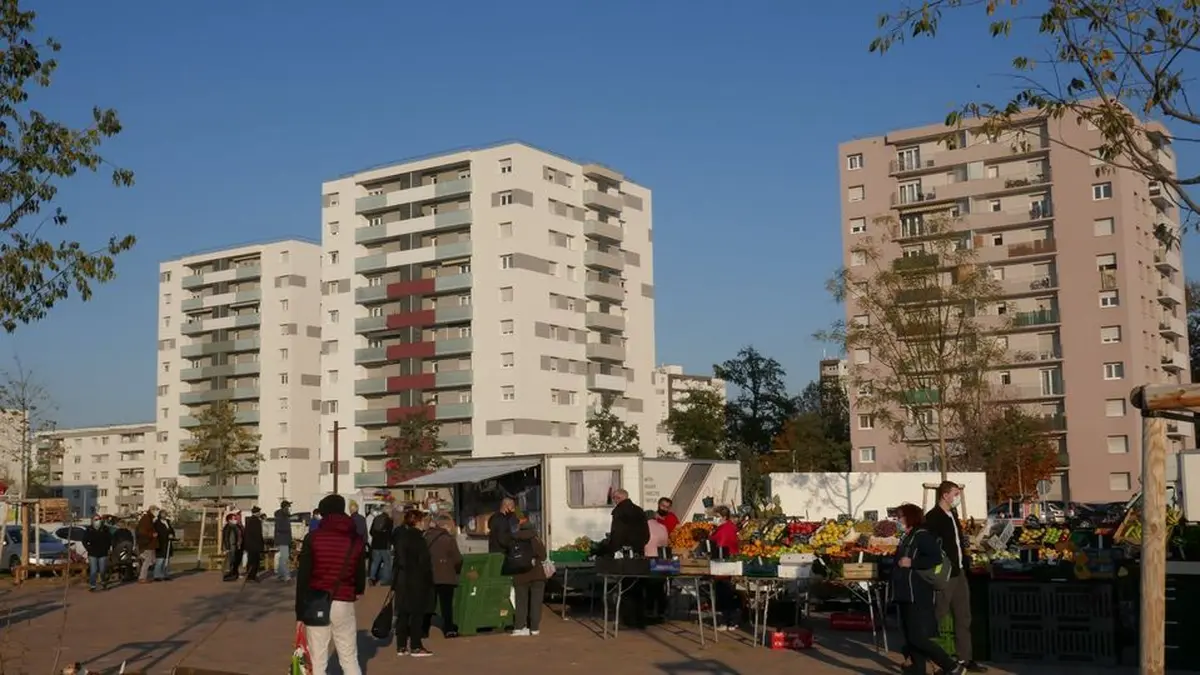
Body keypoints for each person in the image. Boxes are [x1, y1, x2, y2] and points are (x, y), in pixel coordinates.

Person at [296, 494, 366, 675]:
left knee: (318, 660)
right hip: (344, 600)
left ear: (324, 513)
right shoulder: (355, 539)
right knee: (349, 658)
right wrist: (357, 590)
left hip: (317, 600)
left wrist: (300, 612)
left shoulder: (313, 538)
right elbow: (360, 573)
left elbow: (303, 578)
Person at [894, 503, 965, 675]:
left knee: (917, 637)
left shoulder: (922, 536)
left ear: (910, 517)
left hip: (917, 592)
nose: (898, 520)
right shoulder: (907, 537)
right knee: (911, 636)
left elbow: (935, 558)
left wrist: (912, 563)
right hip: (905, 592)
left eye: (900, 516)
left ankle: (951, 666)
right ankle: (918, 669)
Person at [926, 481, 986, 673]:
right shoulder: (933, 517)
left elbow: (958, 542)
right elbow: (930, 545)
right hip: (945, 574)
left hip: (959, 571)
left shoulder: (953, 514)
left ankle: (965, 658)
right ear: (945, 495)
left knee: (963, 616)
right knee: (938, 614)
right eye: (955, 494)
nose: (957, 498)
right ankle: (931, 658)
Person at [391, 509, 435, 657]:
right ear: (417, 522)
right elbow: (424, 563)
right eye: (422, 520)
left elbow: (398, 560)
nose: (424, 523)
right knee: (417, 614)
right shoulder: (418, 539)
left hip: (402, 580)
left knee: (403, 613)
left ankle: (401, 646)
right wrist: (428, 580)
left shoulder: (401, 536)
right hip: (416, 580)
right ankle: (416, 646)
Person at [606, 489, 651, 628]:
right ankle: (640, 620)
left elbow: (617, 533)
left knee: (626, 587)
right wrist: (639, 546)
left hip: (625, 554)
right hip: (639, 553)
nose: (614, 501)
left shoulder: (619, 511)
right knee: (638, 586)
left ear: (618, 498)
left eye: (615, 498)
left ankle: (628, 620)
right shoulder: (639, 511)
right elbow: (646, 535)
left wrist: (613, 549)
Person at [423, 513, 462, 638]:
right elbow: (457, 559)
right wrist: (456, 569)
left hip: (428, 575)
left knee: (429, 604)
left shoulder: (426, 537)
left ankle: (423, 630)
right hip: (446, 576)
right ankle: (448, 629)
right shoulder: (449, 539)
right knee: (446, 605)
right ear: (445, 526)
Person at [510, 516, 548, 637]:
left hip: (519, 575)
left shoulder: (514, 539)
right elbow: (543, 556)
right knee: (536, 602)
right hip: (536, 574)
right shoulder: (536, 539)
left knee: (520, 601)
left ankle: (519, 627)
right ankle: (534, 628)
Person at [709, 505, 741, 631]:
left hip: (723, 564)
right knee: (728, 593)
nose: (714, 519)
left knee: (724, 593)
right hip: (728, 563)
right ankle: (731, 621)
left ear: (723, 517)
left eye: (716, 516)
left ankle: (728, 621)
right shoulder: (728, 527)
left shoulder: (724, 529)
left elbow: (719, 543)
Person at [644, 510, 671, 619]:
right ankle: (661, 611)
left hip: (649, 558)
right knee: (660, 587)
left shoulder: (644, 527)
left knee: (649, 587)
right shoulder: (663, 527)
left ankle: (649, 611)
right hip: (663, 559)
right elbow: (666, 543)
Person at [82, 516, 112, 591]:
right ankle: (92, 585)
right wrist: (88, 548)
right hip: (92, 553)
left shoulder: (105, 529)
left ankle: (103, 583)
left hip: (103, 553)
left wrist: (108, 548)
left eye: (99, 519)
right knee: (93, 570)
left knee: (102, 570)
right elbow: (84, 540)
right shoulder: (89, 529)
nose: (97, 521)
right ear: (92, 521)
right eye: (96, 519)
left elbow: (110, 539)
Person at [367, 507, 394, 586]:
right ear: (388, 511)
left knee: (375, 562)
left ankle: (372, 578)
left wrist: (377, 537)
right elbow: (390, 534)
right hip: (385, 545)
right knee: (387, 563)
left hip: (375, 545)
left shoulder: (376, 518)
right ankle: (384, 580)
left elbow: (371, 532)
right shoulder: (389, 520)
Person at [134, 505, 160, 583]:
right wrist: (152, 535)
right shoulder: (146, 519)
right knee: (148, 561)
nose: (157, 512)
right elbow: (143, 531)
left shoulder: (149, 518)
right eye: (156, 510)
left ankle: (143, 575)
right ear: (152, 510)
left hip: (149, 543)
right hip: (147, 544)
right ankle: (142, 577)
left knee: (151, 560)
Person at [243, 506, 265, 582]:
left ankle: (250, 575)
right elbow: (258, 534)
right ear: (257, 512)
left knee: (250, 560)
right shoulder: (256, 521)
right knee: (255, 561)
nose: (260, 513)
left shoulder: (249, 520)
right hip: (255, 545)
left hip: (250, 545)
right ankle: (252, 576)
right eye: (259, 512)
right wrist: (261, 544)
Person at [152, 511, 175, 581]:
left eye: (165, 514)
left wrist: (172, 535)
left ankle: (166, 574)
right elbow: (156, 532)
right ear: (160, 515)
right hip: (160, 544)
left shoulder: (168, 522)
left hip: (168, 543)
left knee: (166, 560)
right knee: (160, 560)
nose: (164, 515)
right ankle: (157, 575)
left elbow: (171, 531)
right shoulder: (157, 523)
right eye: (163, 514)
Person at [275, 500, 293, 582]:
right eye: (288, 507)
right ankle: (286, 575)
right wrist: (287, 530)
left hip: (285, 539)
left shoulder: (285, 516)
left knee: (283, 557)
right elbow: (279, 528)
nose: (289, 509)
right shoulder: (281, 516)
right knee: (285, 557)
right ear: (285, 507)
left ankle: (280, 574)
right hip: (283, 539)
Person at [221, 513, 243, 582]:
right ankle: (228, 575)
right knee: (230, 561)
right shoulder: (228, 527)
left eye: (235, 518)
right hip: (231, 546)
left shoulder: (235, 526)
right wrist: (227, 548)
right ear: (229, 520)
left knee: (234, 560)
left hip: (235, 546)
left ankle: (234, 574)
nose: (235, 520)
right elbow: (226, 538)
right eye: (234, 519)